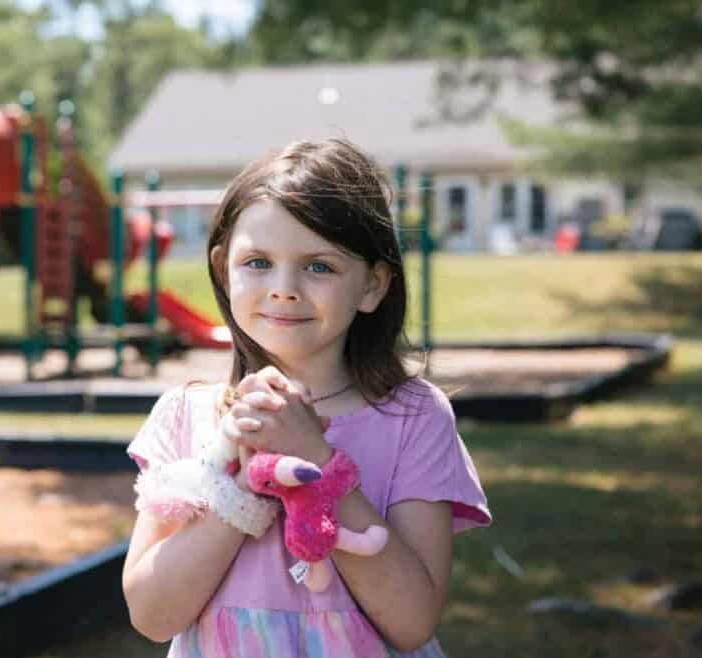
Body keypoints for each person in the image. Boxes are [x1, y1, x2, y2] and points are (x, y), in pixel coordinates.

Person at [122, 139, 491, 658]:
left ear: (372, 286)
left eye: (319, 266)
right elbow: (153, 615)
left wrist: (319, 463)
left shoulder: (414, 417)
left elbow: (412, 622)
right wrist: (242, 493)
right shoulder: (185, 417)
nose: (285, 287)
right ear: (224, 269)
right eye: (257, 262)